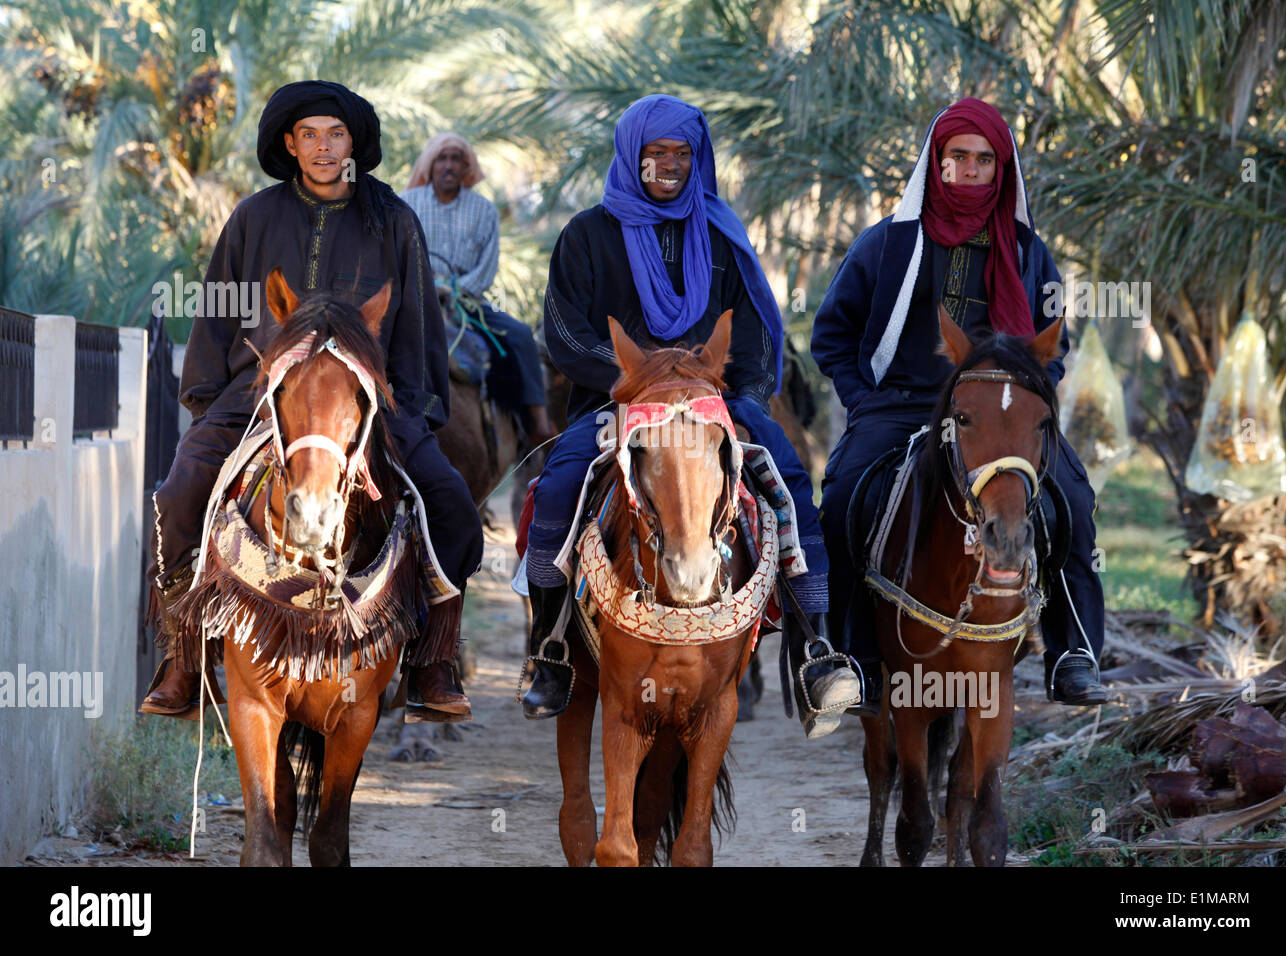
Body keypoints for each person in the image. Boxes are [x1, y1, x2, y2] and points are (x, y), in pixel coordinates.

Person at [519, 93, 861, 738]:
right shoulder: (587, 234)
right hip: (618, 400)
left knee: (787, 480)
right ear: (632, 156)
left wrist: (747, 399)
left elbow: (757, 331)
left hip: (713, 402)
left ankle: (817, 651)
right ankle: (551, 650)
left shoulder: (722, 234)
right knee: (561, 487)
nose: (671, 165)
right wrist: (638, 379)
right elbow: (564, 334)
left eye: (683, 154)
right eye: (657, 154)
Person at [141, 80, 483, 722]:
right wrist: (210, 406)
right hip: (256, 394)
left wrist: (411, 410)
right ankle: (183, 655)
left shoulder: (394, 222)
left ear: (354, 142)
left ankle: (433, 659)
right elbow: (219, 315)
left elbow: (414, 328)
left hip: (366, 401)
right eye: (309, 136)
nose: (324, 148)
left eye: (336, 134)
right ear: (289, 145)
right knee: (179, 492)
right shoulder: (254, 218)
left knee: (451, 504)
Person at [812, 97, 1107, 708]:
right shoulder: (884, 246)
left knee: (1073, 499)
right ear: (936, 164)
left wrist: (1025, 398)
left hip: (1000, 413)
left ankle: (1073, 653)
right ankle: (849, 662)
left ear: (1001, 171)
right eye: (958, 158)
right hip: (899, 406)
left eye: (984, 161)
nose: (971, 170)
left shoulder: (1029, 252)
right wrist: (863, 400)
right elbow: (832, 335)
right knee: (841, 502)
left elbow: (1055, 343)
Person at [400, 133, 556, 446]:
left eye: (456, 159)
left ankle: (536, 420)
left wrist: (455, 290)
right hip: (415, 300)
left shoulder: (484, 210)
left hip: (469, 301)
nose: (448, 166)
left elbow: (486, 268)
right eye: (441, 159)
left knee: (520, 334)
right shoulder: (406, 204)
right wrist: (429, 289)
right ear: (429, 166)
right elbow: (397, 257)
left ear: (467, 167)